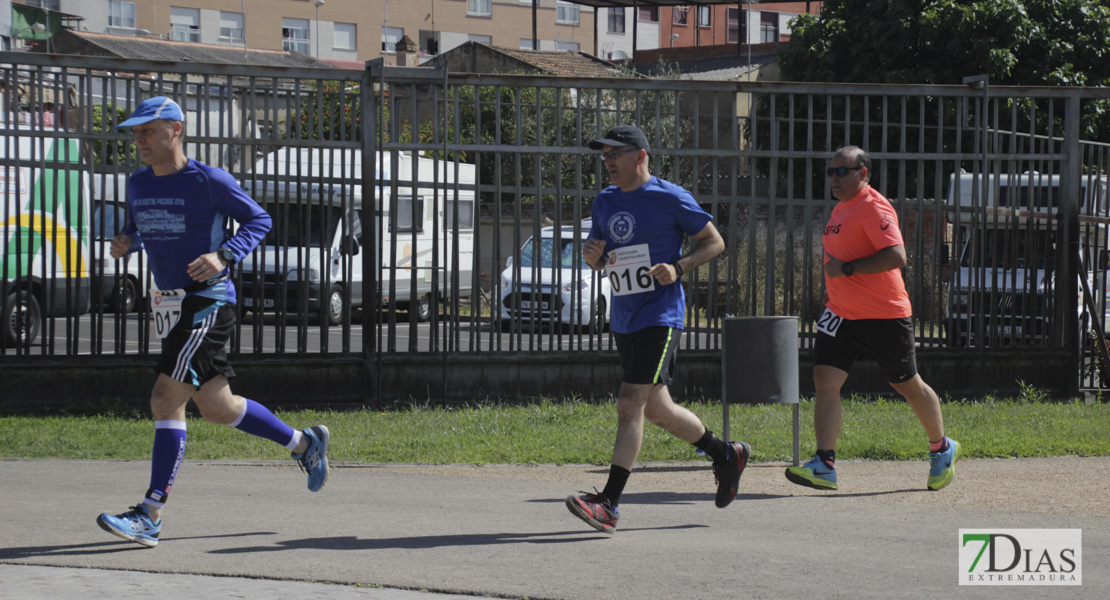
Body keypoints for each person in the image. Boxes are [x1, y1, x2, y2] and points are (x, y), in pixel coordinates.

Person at [96, 96, 331, 548]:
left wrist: (223, 255)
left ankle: (150, 513)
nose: (139, 139)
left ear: (176, 130)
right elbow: (147, 227)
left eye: (148, 130)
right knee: (218, 408)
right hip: (170, 302)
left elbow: (258, 220)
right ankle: (305, 444)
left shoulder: (208, 180)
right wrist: (128, 241)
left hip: (207, 302)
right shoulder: (138, 182)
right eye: (136, 132)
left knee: (166, 399)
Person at [565, 125, 751, 534]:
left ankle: (609, 504)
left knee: (630, 403)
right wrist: (592, 257)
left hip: (661, 316)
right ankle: (726, 454)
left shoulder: (670, 197)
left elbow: (714, 241)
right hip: (624, 317)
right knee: (659, 410)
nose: (608, 160)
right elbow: (601, 259)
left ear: (640, 157)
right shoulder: (604, 201)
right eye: (604, 155)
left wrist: (679, 267)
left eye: (615, 153)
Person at [786, 146, 959, 492]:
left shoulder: (874, 206)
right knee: (824, 378)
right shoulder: (840, 209)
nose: (833, 178)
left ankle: (942, 447)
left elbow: (897, 256)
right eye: (831, 171)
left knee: (907, 385)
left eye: (841, 171)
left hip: (884, 314)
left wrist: (847, 270)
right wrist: (834, 291)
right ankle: (824, 463)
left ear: (862, 174)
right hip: (841, 314)